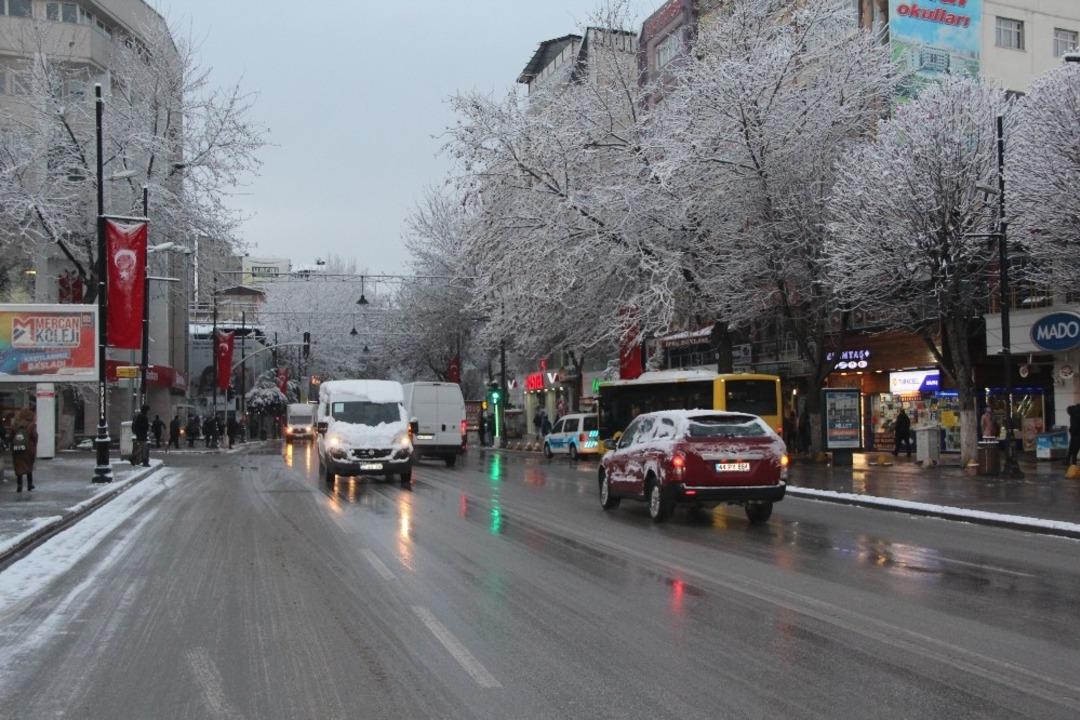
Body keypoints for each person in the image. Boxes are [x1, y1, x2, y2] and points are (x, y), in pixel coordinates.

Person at [10, 408, 37, 492]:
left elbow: (11, 437)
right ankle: (29, 485)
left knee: (18, 466)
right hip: (29, 449)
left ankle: (19, 485)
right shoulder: (31, 425)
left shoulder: (15, 425)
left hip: (17, 449)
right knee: (29, 465)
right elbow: (34, 437)